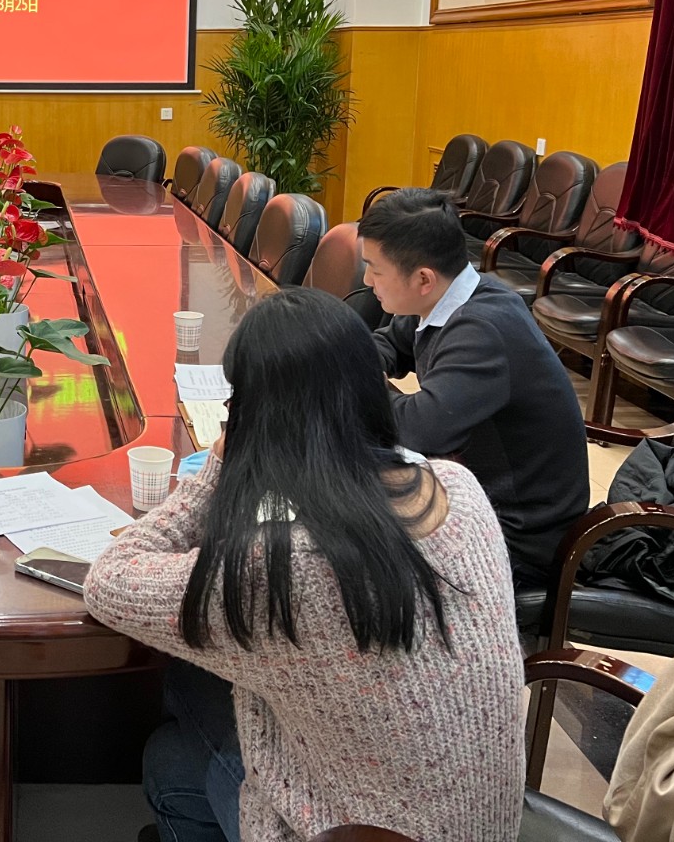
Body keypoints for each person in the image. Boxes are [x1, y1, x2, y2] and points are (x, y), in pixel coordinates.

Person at [85, 289, 525, 842]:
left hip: (357, 833)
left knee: (170, 753)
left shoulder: (284, 567)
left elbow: (109, 580)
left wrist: (216, 470)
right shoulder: (460, 489)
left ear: (253, 422)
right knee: (199, 687)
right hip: (482, 825)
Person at [357, 187, 589, 587]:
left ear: (423, 278)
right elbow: (387, 345)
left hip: (520, 536)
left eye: (374, 269)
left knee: (349, 550)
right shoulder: (441, 299)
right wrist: (353, 366)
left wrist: (361, 384)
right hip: (476, 494)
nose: (366, 280)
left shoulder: (482, 329)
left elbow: (417, 430)